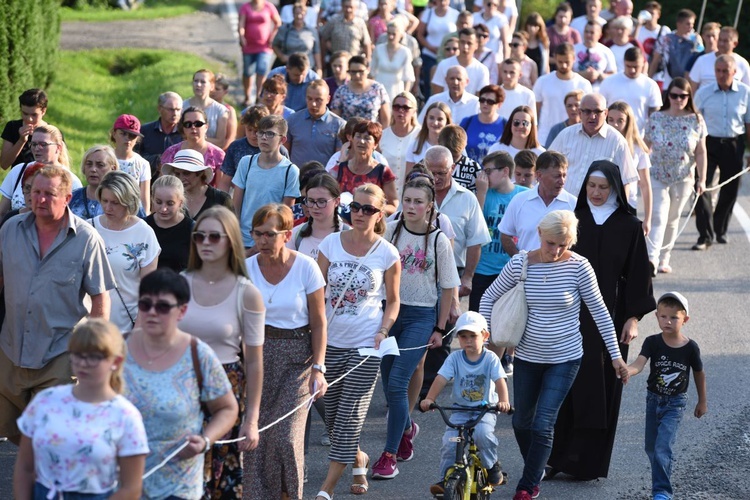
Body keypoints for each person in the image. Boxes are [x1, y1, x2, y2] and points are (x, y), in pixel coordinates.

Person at [479, 209, 630, 500]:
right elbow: (488, 297)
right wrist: (484, 340)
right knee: (522, 421)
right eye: (551, 243)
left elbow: (599, 312)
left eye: (563, 245)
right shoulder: (520, 264)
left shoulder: (579, 267)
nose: (556, 250)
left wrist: (616, 356)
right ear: (539, 234)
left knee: (543, 422)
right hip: (527, 357)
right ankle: (536, 466)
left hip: (566, 357)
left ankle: (527, 485)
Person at [547, 161, 655, 480]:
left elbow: (638, 275)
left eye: (603, 187)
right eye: (592, 186)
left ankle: (587, 463)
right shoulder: (573, 220)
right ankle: (554, 457)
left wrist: (633, 318)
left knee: (599, 388)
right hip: (568, 315)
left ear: (615, 189)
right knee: (562, 384)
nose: (596, 192)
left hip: (611, 316)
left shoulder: (628, 225)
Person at [0, 165, 115, 445]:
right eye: (35, 192)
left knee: (50, 439)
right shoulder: (10, 229)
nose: (39, 199)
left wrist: (93, 353)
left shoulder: (87, 239)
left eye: (49, 194)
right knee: (16, 432)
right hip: (11, 350)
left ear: (67, 198)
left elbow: (101, 299)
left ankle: (41, 483)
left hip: (60, 355)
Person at [314, 183, 400, 500]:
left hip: (366, 344)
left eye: (368, 209)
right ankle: (359, 457)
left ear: (379, 214)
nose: (360, 214)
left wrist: (384, 329)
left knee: (350, 417)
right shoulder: (330, 244)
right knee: (333, 416)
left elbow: (393, 301)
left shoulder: (388, 254)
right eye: (356, 207)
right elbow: (315, 292)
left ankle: (327, 488)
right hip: (329, 341)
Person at [372, 172, 460, 479]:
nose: (411, 206)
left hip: (421, 317)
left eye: (418, 201)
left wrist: (438, 328)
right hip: (389, 314)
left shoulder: (438, 240)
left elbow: (448, 287)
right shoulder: (390, 230)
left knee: (398, 383)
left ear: (430, 205)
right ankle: (408, 426)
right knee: (387, 384)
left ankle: (388, 454)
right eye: (407, 200)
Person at [123, 269, 239, 500]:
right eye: (145, 305)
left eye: (163, 307)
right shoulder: (116, 348)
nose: (152, 313)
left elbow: (227, 408)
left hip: (177, 485)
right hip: (119, 482)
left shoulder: (198, 354)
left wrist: (205, 440)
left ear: (182, 311)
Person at [244, 204, 327, 499]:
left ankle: (290, 494)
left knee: (285, 437)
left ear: (287, 234)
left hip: (297, 358)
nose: (262, 240)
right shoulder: (246, 267)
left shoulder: (306, 266)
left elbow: (319, 323)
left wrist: (319, 368)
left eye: (270, 234)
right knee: (256, 437)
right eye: (257, 234)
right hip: (256, 356)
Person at [181, 206, 265, 499]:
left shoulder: (247, 292)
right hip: (180, 387)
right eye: (199, 236)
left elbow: (254, 362)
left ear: (230, 241)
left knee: (219, 484)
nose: (205, 242)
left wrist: (251, 420)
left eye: (214, 237)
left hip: (225, 392)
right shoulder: (179, 284)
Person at [13, 319, 148, 499]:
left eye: (93, 356)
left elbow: (131, 488)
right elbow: (25, 468)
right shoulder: (45, 401)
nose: (83, 363)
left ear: (115, 361)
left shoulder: (125, 415)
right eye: (77, 354)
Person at [420, 311, 511, 496]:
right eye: (463, 336)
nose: (468, 340)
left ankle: (492, 465)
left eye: (473, 336)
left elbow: (500, 381)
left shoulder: (490, 358)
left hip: (484, 411)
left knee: (483, 435)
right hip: (460, 410)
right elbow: (441, 378)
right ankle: (446, 479)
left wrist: (503, 401)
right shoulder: (454, 358)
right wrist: (429, 399)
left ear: (485, 336)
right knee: (449, 443)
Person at [627, 291, 707, 500]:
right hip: (653, 401)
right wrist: (628, 370)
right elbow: (640, 363)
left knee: (662, 447)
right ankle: (662, 481)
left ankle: (662, 492)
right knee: (651, 448)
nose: (668, 321)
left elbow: (699, 373)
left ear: (685, 319)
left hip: (675, 404)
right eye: (663, 316)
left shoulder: (690, 347)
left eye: (674, 317)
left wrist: (702, 401)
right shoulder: (652, 342)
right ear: (657, 317)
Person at [644, 77, 707, 270]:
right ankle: (651, 259)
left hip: (683, 177)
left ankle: (665, 257)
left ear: (689, 97)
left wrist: (702, 179)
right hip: (657, 174)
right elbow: (645, 146)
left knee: (673, 219)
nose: (678, 99)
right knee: (658, 215)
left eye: (683, 96)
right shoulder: (656, 118)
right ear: (668, 96)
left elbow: (701, 151)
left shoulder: (696, 120)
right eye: (674, 95)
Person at [692, 55, 750, 249]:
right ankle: (705, 235)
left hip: (734, 143)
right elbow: (694, 121)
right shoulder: (703, 93)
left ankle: (720, 228)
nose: (721, 75)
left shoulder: (745, 92)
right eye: (718, 71)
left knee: (731, 189)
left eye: (725, 71)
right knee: (702, 187)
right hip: (708, 143)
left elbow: (748, 124)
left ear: (734, 72)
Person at [91, 171, 161, 332]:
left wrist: (138, 330)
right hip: (91, 327)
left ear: (128, 202)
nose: (108, 208)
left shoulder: (144, 233)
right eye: (104, 200)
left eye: (115, 202)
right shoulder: (89, 229)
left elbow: (149, 290)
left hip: (127, 326)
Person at [549, 93, 638, 199]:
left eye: (597, 111)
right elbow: (547, 167)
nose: (592, 116)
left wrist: (621, 213)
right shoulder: (565, 135)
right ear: (580, 113)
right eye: (587, 111)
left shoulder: (617, 141)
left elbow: (625, 182)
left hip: (598, 211)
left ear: (605, 113)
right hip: (564, 205)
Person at [232, 115, 301, 251]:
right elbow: (236, 205)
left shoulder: (290, 171)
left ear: (282, 139)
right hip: (243, 239)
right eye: (261, 133)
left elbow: (285, 215)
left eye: (270, 134)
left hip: (270, 242)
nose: (263, 137)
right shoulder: (246, 162)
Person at [471, 150, 528, 312]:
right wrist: (481, 193)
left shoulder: (524, 195)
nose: (484, 176)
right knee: (478, 319)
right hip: (483, 269)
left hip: (511, 269)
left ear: (505, 171)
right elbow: (475, 226)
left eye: (488, 171)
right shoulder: (484, 193)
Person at [499, 151, 577, 255]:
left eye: (564, 175)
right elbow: (505, 235)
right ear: (539, 175)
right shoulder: (520, 200)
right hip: (526, 269)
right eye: (557, 176)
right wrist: (520, 260)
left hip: (560, 270)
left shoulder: (573, 204)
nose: (562, 181)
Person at [0, 124, 81, 218]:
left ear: (58, 148)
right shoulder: (18, 171)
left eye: (43, 144)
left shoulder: (72, 181)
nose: (37, 148)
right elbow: (2, 212)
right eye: (34, 144)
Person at [330, 120, 400, 215]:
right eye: (358, 136)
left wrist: (372, 209)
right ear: (352, 139)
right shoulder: (339, 169)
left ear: (375, 144)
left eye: (367, 138)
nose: (361, 141)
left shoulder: (383, 172)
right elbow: (327, 197)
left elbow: (393, 205)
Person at [606, 100, 653, 230]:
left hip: (628, 204)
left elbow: (645, 184)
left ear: (628, 122)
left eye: (620, 120)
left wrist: (647, 219)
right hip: (601, 202)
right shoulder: (601, 142)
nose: (614, 124)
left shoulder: (638, 148)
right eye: (611, 119)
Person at [534, 43, 592, 145]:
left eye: (567, 62)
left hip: (576, 138)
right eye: (560, 62)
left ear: (574, 59)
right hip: (545, 137)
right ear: (555, 59)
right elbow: (535, 111)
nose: (563, 65)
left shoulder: (584, 84)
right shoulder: (542, 81)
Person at [599, 47, 662, 131]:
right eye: (628, 66)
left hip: (639, 137)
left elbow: (655, 116)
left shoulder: (651, 85)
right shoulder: (608, 82)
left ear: (643, 64)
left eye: (636, 66)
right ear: (623, 63)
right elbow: (600, 109)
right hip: (612, 135)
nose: (632, 70)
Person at [161, 106, 226, 188]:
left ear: (206, 127)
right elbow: (162, 185)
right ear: (183, 128)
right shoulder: (171, 152)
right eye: (188, 124)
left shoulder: (218, 155)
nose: (193, 127)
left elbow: (221, 189)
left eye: (198, 124)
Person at [287, 80, 346, 167]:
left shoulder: (339, 125)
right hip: (296, 177)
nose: (313, 104)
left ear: (328, 99)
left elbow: (339, 159)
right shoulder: (292, 120)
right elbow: (285, 153)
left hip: (324, 178)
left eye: (318, 100)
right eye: (309, 99)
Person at [162, 148, 233, 220]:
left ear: (200, 173)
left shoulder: (221, 199)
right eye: (177, 174)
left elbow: (230, 228)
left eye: (186, 173)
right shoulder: (170, 199)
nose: (181, 178)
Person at [146, 175, 194, 272]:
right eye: (159, 202)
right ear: (152, 199)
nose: (163, 209)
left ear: (180, 203)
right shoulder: (143, 226)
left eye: (170, 203)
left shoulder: (192, 228)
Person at [238, 0, 282, 106]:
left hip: (265, 46)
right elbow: (241, 25)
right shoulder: (245, 7)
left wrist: (273, 37)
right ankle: (247, 96)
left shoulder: (269, 6)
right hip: (249, 46)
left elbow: (278, 23)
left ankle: (259, 95)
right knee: (248, 72)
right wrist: (241, 36)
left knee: (262, 70)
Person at [379, 91, 421, 198]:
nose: (400, 111)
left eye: (406, 107)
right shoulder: (382, 135)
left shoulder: (421, 136)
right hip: (385, 196)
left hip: (412, 195)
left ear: (414, 111)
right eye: (396, 107)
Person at [331, 55, 390, 127]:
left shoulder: (378, 89)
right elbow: (335, 119)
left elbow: (385, 120)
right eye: (353, 72)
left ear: (368, 70)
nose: (357, 75)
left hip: (372, 134)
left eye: (360, 71)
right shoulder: (341, 91)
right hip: (348, 135)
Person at [416, 0, 460, 99]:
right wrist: (430, 47)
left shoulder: (455, 14)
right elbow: (420, 34)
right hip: (430, 54)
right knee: (429, 83)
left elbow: (458, 35)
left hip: (450, 54)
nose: (442, 1)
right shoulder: (428, 13)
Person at [648, 9, 702, 88]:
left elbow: (700, 60)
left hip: (688, 84)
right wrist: (649, 80)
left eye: (692, 24)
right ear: (679, 24)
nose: (691, 27)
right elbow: (655, 62)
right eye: (688, 24)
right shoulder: (666, 40)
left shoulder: (696, 40)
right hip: (668, 84)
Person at [110, 114, 152, 214]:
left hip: (132, 214)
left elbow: (144, 198)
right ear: (114, 133)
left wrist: (145, 220)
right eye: (123, 134)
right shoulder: (105, 158)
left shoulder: (142, 164)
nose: (128, 139)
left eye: (132, 135)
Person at [138, 91, 183, 179]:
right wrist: (157, 160)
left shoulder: (185, 133)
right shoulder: (144, 131)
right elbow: (135, 156)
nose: (175, 113)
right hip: (148, 181)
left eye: (178, 110)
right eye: (171, 109)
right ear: (159, 109)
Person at [688, 27, 750, 91]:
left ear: (735, 44)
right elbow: (692, 90)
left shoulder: (742, 63)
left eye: (725, 41)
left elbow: (747, 91)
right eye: (720, 40)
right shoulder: (702, 60)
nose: (721, 43)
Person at [432, 28, 490, 95]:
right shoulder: (444, 64)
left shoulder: (482, 70)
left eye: (469, 43)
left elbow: (480, 98)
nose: (465, 46)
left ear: (476, 45)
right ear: (458, 43)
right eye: (462, 42)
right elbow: (437, 94)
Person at [1, 88, 48, 170]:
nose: (29, 119)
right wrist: (21, 140)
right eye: (25, 113)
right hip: (18, 179)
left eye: (34, 115)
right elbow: (4, 164)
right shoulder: (12, 127)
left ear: (43, 111)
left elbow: (60, 164)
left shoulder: (51, 132)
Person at [183, 69, 231, 150]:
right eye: (196, 81)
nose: (198, 84)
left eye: (203, 82)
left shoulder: (221, 110)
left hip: (209, 155)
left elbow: (220, 142)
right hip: (185, 151)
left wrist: (194, 139)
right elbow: (178, 135)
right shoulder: (182, 106)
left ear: (212, 86)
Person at [460, 84, 507, 163]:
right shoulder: (467, 122)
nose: (485, 103)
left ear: (499, 104)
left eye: (490, 101)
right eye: (482, 100)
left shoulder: (506, 125)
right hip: (469, 172)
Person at [273, 0, 323, 75]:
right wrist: (282, 56)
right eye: (296, 13)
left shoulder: (312, 31)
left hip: (308, 68)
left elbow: (316, 51)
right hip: (289, 68)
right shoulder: (285, 29)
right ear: (293, 14)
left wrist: (319, 68)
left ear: (305, 14)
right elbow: (275, 44)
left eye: (301, 14)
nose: (299, 16)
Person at [371, 20, 416, 101]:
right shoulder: (378, 49)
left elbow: (408, 77)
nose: (390, 37)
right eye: (389, 33)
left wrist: (404, 96)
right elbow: (371, 72)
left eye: (394, 34)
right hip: (379, 88)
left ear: (400, 35)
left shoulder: (405, 52)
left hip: (396, 90)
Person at [407, 102, 452, 170]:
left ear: (447, 121)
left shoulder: (454, 145)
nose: (435, 122)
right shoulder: (414, 145)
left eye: (440, 119)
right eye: (431, 118)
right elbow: (409, 177)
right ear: (426, 119)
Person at [438, 124, 481, 193]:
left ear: (465, 145)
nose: (451, 160)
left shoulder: (473, 168)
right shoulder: (430, 163)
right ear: (439, 143)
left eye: (454, 156)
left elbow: (475, 198)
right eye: (447, 155)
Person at [573, 21, 616, 90]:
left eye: (592, 32)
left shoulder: (606, 51)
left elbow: (613, 75)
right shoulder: (573, 49)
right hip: (577, 90)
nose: (588, 35)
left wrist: (599, 75)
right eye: (586, 32)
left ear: (600, 35)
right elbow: (565, 72)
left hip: (598, 92)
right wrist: (581, 74)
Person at [210, 74, 239, 147]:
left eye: (217, 89)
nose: (213, 91)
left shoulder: (229, 110)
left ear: (225, 92)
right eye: (212, 88)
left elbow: (231, 137)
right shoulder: (202, 106)